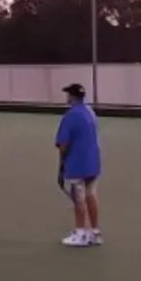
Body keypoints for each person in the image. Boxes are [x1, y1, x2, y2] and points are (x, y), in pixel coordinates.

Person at [55, 83, 102, 247]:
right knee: (91, 195)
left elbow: (63, 144)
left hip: (77, 163)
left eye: (68, 94)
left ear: (72, 97)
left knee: (78, 198)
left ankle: (80, 232)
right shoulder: (90, 111)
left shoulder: (70, 116)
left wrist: (62, 166)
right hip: (93, 162)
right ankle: (94, 232)